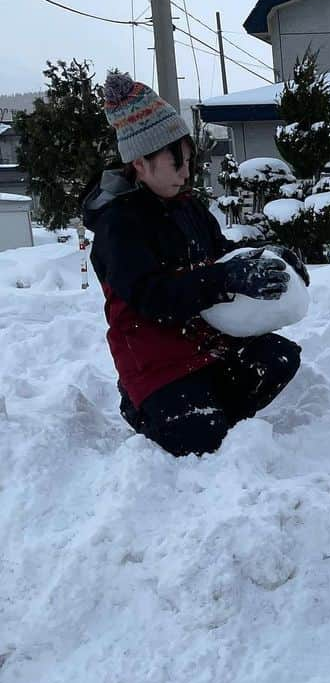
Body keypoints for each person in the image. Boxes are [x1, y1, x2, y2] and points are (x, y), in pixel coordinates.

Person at [83, 72, 307, 457]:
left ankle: (207, 409)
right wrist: (222, 280)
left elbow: (222, 255)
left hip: (207, 343)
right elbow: (153, 297)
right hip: (155, 359)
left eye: (189, 162)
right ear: (140, 161)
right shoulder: (118, 226)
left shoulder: (189, 207)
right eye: (177, 164)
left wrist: (274, 260)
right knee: (200, 436)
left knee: (280, 359)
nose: (187, 173)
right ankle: (143, 406)